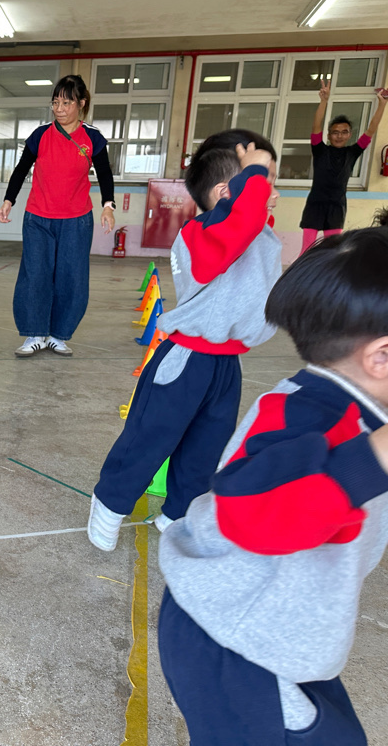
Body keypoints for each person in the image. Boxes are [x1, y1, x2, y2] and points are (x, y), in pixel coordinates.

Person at [158, 226, 388, 745]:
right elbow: (251, 514)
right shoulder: (300, 413)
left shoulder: (364, 410)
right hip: (234, 640)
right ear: (381, 355)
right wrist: (372, 458)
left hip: (283, 631)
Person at [87, 130, 282, 551]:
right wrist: (252, 184)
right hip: (187, 359)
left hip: (226, 363)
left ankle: (179, 512)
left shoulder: (255, 234)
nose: (274, 193)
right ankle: (110, 501)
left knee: (205, 447)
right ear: (227, 191)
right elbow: (235, 231)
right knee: (150, 437)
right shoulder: (202, 234)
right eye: (265, 180)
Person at [0, 74, 116, 358]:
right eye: (55, 102)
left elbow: (104, 173)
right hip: (38, 218)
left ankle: (59, 335)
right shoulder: (40, 135)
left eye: (66, 103)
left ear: (81, 104)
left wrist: (108, 205)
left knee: (72, 278)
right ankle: (34, 334)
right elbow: (21, 169)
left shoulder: (92, 137)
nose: (59, 109)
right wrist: (9, 200)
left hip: (76, 220)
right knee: (35, 276)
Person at [299, 81, 387, 255]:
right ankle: (301, 272)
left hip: (336, 207)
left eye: (344, 132)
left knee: (332, 251)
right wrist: (324, 101)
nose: (339, 136)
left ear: (349, 135)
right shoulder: (320, 150)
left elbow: (371, 130)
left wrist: (382, 105)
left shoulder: (353, 152)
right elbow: (316, 126)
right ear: (329, 135)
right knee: (307, 250)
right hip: (315, 204)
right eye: (335, 132)